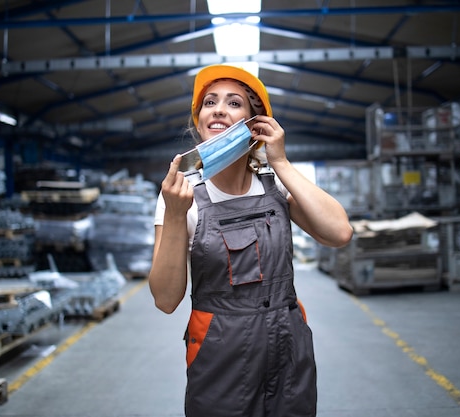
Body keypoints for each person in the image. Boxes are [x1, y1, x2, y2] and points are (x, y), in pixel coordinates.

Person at [148, 64, 353, 417]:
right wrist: (175, 214)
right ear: (198, 122)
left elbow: (339, 233)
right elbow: (166, 299)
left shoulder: (275, 185)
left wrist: (282, 161)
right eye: (209, 102)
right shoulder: (181, 196)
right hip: (220, 348)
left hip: (288, 341)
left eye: (234, 103)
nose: (218, 109)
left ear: (254, 123)